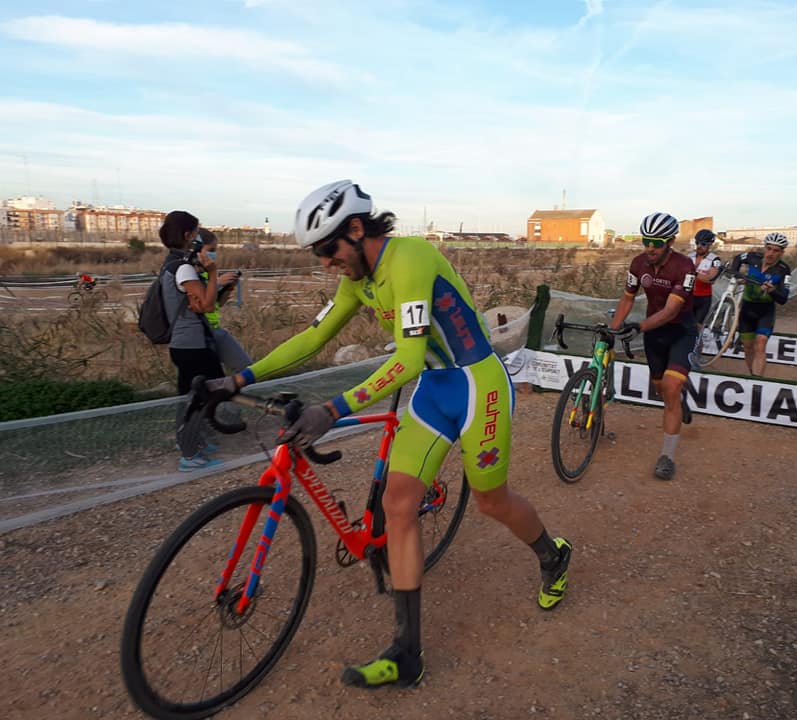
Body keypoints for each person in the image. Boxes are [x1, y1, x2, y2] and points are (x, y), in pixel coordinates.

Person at [203, 180, 572, 688]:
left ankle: (553, 555)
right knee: (398, 505)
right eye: (317, 254)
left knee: (492, 501)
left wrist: (333, 408)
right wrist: (238, 379)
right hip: (435, 392)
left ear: (356, 229)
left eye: (328, 249)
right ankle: (406, 653)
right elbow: (313, 337)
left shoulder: (410, 258)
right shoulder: (358, 279)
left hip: (478, 385)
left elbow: (409, 357)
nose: (325, 263)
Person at [609, 212, 697, 481]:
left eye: (656, 243)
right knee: (662, 389)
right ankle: (678, 399)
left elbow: (671, 311)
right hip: (653, 334)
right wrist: (613, 329)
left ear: (670, 242)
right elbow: (627, 298)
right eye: (645, 241)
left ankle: (667, 457)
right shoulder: (638, 264)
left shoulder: (685, 267)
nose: (650, 247)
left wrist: (639, 326)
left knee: (670, 386)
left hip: (681, 332)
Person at [158, 211, 237, 471]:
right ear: (187, 235)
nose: (197, 238)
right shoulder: (182, 268)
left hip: (189, 343)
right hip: (190, 344)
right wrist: (213, 274)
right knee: (194, 399)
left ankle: (196, 442)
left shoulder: (174, 264)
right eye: (195, 232)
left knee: (200, 394)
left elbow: (198, 303)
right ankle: (190, 454)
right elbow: (206, 305)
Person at [729, 232, 792, 377]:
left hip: (765, 312)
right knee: (748, 348)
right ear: (764, 247)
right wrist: (736, 275)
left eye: (776, 251)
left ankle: (758, 380)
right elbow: (738, 258)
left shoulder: (783, 269)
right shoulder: (753, 257)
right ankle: (753, 377)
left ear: (782, 253)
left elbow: (783, 298)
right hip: (746, 310)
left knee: (760, 343)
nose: (771, 253)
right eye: (768, 248)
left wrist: (772, 290)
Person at [197, 228, 252, 374]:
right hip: (200, 332)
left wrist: (227, 288)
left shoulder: (207, 274)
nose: (213, 254)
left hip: (215, 328)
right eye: (211, 250)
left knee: (246, 368)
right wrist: (218, 283)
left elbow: (218, 303)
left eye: (215, 250)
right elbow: (201, 302)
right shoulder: (191, 275)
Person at [687, 229, 723, 331]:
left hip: (703, 298)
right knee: (685, 325)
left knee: (697, 327)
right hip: (688, 296)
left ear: (710, 245)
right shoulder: (689, 257)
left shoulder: (715, 260)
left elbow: (711, 279)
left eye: (703, 244)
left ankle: (698, 341)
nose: (699, 246)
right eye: (697, 243)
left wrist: (694, 272)